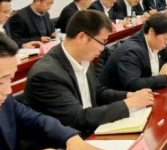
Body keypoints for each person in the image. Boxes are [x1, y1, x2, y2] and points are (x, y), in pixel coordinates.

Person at [24, 10, 154, 134]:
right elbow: (78, 118)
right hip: (64, 143)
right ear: (82, 37)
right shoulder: (47, 75)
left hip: (90, 130)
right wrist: (128, 104)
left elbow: (97, 92)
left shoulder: (84, 58)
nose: (103, 48)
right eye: (102, 42)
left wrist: (129, 96)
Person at [99, 13, 167, 91]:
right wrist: (166, 78)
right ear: (152, 32)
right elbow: (133, 84)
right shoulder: (132, 52)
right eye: (166, 38)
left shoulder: (155, 42)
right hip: (119, 98)